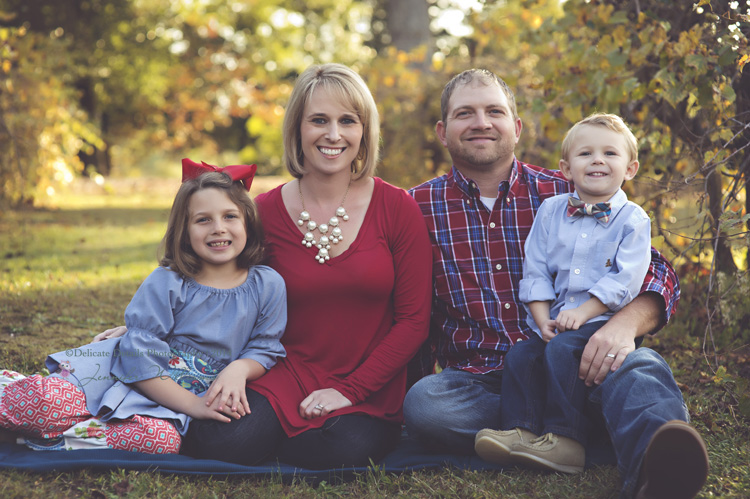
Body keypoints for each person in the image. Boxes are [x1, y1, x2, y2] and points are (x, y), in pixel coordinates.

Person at [96, 63, 433, 469]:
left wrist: (350, 390)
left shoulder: (397, 208)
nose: (333, 134)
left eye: (348, 121)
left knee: (336, 450)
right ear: (297, 129)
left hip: (366, 379)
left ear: (364, 131)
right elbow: (212, 280)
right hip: (279, 368)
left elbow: (414, 320)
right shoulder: (264, 212)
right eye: (318, 120)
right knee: (223, 440)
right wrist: (150, 329)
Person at [404, 69, 708, 498]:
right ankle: (577, 430)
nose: (481, 122)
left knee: (636, 368)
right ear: (442, 130)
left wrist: (622, 326)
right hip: (484, 381)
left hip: (583, 360)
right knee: (426, 404)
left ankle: (656, 475)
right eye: (464, 113)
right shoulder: (415, 207)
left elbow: (657, 270)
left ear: (516, 126)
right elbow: (403, 309)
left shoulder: (567, 190)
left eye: (495, 111)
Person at [0, 166, 287, 453]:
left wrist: (239, 369)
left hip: (169, 401)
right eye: (203, 220)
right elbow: (138, 356)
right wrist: (195, 406)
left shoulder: (267, 285)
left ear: (248, 221)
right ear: (184, 232)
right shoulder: (170, 280)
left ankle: (52, 439)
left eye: (230, 216)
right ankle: (17, 394)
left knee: (162, 441)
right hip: (118, 373)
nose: (218, 228)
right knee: (44, 405)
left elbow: (265, 347)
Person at [473, 113, 651, 474]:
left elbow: (627, 280)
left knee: (563, 351)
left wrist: (584, 312)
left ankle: (567, 441)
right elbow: (535, 268)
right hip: (555, 320)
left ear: (630, 168)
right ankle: (520, 432)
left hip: (600, 322)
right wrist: (542, 321)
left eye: (610, 154)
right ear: (566, 168)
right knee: (522, 356)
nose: (597, 160)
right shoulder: (551, 211)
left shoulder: (633, 220)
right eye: (585, 153)